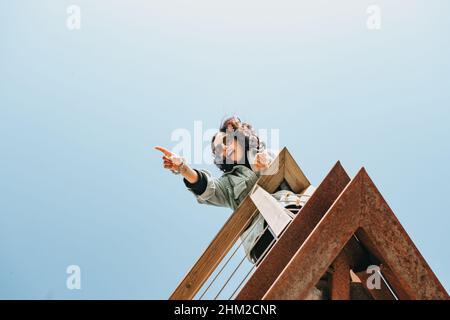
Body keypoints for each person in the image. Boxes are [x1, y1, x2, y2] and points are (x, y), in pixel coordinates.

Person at [155, 116, 313, 264]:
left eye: (225, 140)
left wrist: (267, 168)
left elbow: (294, 179)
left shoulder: (269, 154)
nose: (223, 148)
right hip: (262, 240)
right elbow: (207, 188)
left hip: (294, 213)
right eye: (218, 150)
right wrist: (183, 168)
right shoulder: (229, 184)